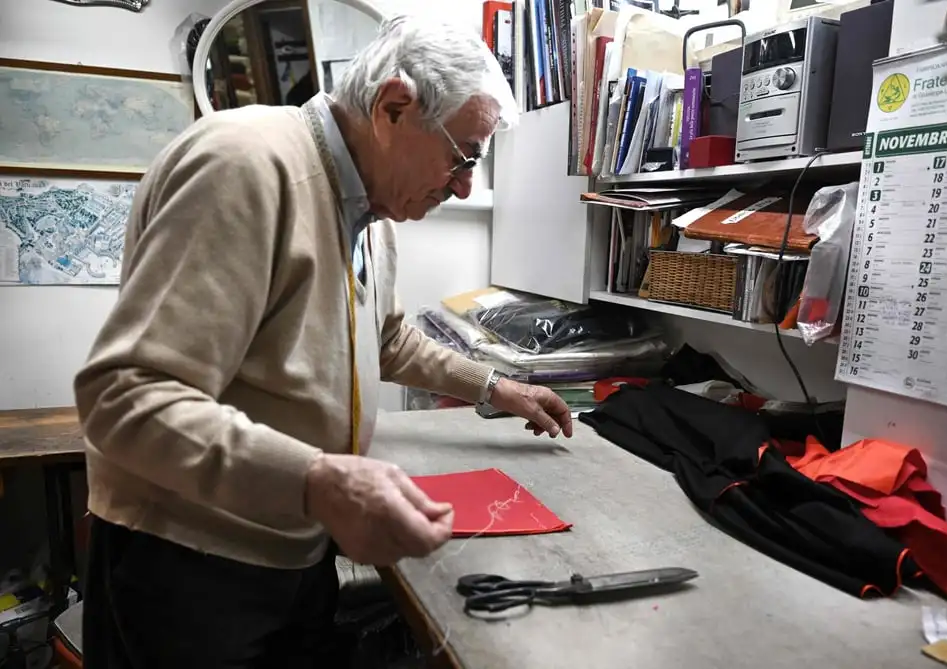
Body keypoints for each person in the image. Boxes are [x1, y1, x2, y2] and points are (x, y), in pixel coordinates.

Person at [74, 15, 573, 669]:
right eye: (464, 154)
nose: (463, 185)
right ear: (395, 106)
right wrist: (317, 481)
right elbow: (123, 396)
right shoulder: (246, 164)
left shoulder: (371, 212)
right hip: (192, 568)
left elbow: (388, 340)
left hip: (294, 546)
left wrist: (495, 386)